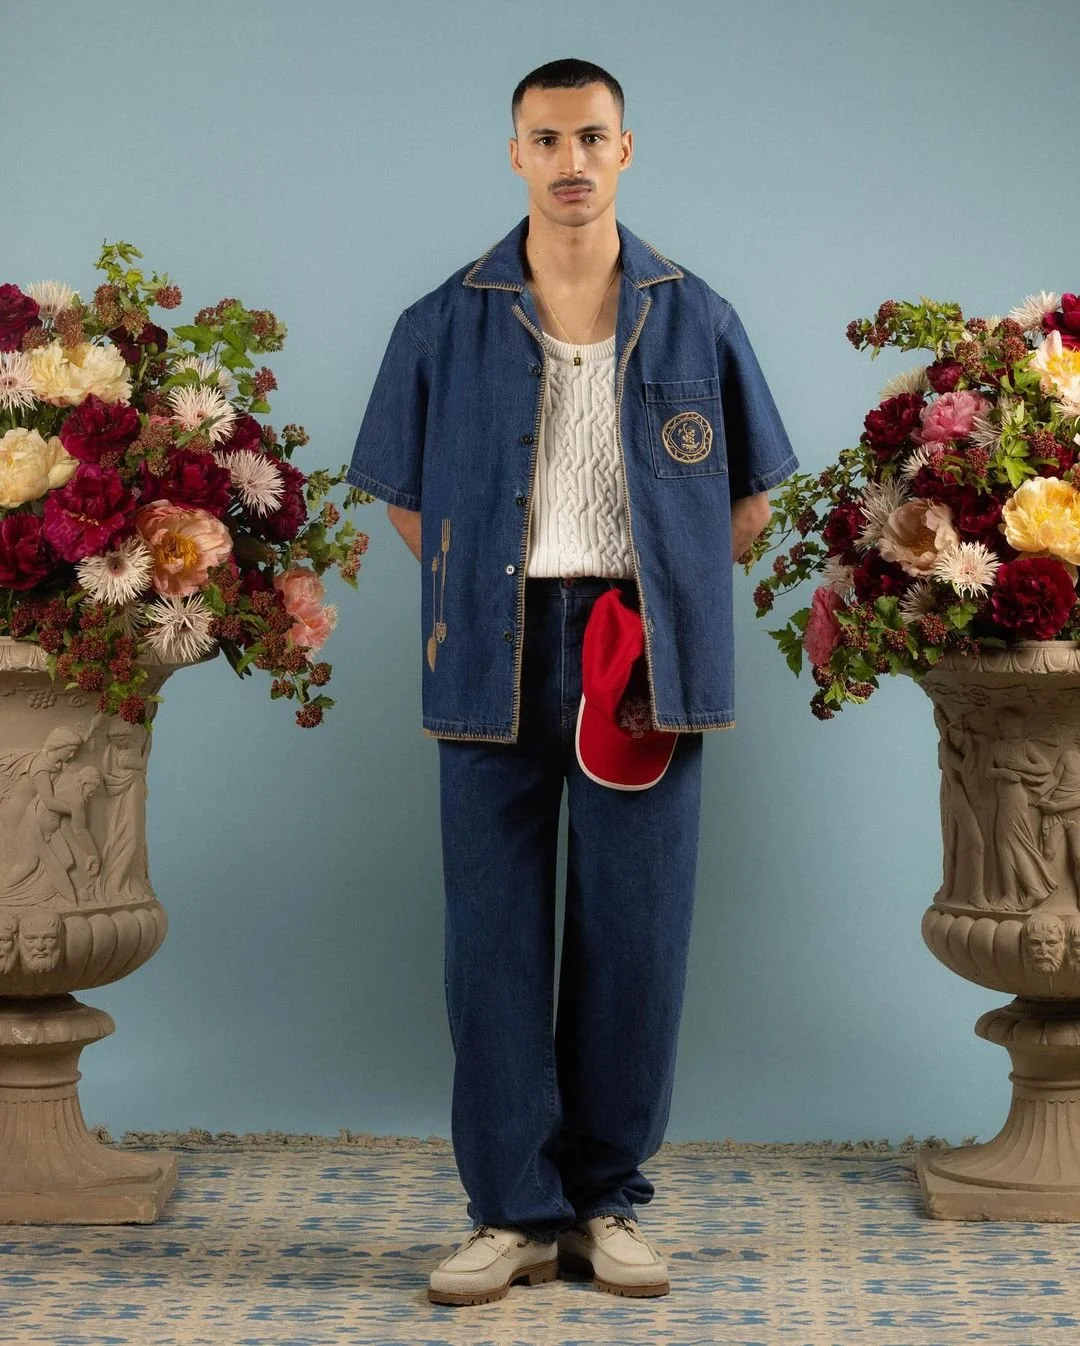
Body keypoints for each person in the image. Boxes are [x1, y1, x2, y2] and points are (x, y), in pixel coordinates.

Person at [348, 57, 797, 1307]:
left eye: (592, 136)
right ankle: (510, 1212)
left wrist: (660, 599)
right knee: (489, 943)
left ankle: (608, 1200)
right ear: (515, 154)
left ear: (626, 149)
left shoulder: (698, 315)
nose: (571, 161)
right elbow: (406, 497)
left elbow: (749, 502)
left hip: (639, 656)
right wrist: (492, 584)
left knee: (635, 937)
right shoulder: (441, 320)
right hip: (489, 652)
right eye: (546, 139)